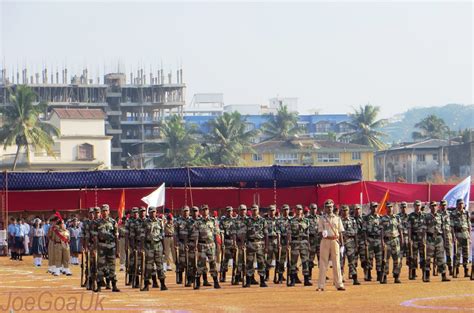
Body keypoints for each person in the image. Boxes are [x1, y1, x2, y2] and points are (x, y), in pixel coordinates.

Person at [317, 199, 345, 291]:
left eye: (331, 207)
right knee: (323, 263)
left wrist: (342, 245)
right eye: (327, 207)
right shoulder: (322, 218)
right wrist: (323, 234)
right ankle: (321, 285)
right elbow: (320, 231)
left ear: (333, 207)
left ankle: (339, 284)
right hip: (325, 241)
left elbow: (340, 232)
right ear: (325, 208)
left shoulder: (337, 218)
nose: (329, 209)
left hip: (334, 241)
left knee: (336, 263)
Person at [191, 205, 221, 289]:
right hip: (202, 245)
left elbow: (216, 234)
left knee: (213, 263)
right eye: (203, 210)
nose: (205, 211)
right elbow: (196, 235)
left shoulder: (213, 221)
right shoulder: (198, 222)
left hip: (211, 245)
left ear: (208, 211)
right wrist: (195, 245)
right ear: (201, 211)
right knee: (201, 264)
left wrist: (218, 245)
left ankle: (216, 281)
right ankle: (197, 282)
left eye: (206, 209)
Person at [140, 206, 167, 291]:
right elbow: (142, 236)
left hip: (158, 246)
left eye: (154, 212)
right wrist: (142, 247)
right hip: (149, 246)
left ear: (156, 212)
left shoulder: (160, 222)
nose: (153, 213)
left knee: (160, 266)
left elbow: (162, 235)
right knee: (148, 266)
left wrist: (164, 248)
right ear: (149, 213)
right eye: (151, 212)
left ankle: (162, 284)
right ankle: (146, 284)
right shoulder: (145, 222)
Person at [94, 204, 120, 292]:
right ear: (101, 212)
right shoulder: (97, 222)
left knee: (112, 266)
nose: (105, 212)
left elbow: (116, 236)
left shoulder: (113, 222)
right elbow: (95, 237)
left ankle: (114, 285)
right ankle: (99, 286)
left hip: (111, 247)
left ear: (109, 211)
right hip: (101, 247)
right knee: (100, 267)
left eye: (106, 210)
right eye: (103, 211)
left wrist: (117, 250)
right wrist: (94, 249)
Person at [242, 204, 268, 288]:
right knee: (249, 262)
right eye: (253, 209)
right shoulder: (247, 220)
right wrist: (243, 243)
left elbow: (266, 233)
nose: (254, 211)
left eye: (255, 209)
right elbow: (244, 233)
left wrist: (266, 245)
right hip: (250, 243)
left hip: (260, 243)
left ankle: (262, 281)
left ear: (258, 210)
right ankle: (249, 281)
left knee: (261, 262)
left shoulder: (263, 220)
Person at [424, 201, 450, 282]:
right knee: (428, 258)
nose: (434, 207)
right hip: (430, 238)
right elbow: (424, 229)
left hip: (439, 238)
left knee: (441, 258)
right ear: (430, 207)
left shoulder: (440, 216)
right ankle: (427, 276)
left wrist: (445, 239)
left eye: (435, 206)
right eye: (432, 206)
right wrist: (424, 241)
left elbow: (443, 229)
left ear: (437, 207)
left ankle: (443, 276)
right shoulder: (426, 216)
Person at [379, 202, 403, 284]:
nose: (390, 209)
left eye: (391, 207)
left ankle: (396, 276)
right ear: (386, 209)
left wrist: (402, 239)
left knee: (397, 259)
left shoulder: (397, 217)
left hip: (396, 240)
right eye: (388, 207)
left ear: (393, 208)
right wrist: (382, 241)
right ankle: (384, 276)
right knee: (386, 260)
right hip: (387, 241)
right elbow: (381, 231)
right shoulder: (383, 218)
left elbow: (400, 229)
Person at [288, 204, 311, 286]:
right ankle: (293, 279)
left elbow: (308, 233)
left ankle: (306, 280)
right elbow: (289, 233)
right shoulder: (291, 221)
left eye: (300, 209)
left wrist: (308, 244)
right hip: (295, 242)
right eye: (297, 209)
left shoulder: (306, 221)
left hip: (304, 242)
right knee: (293, 262)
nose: (299, 211)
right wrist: (288, 243)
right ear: (295, 210)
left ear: (302, 211)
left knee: (305, 261)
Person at [450, 198, 471, 278]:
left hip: (465, 234)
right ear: (457, 204)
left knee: (466, 253)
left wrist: (469, 236)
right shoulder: (453, 213)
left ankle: (466, 270)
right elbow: (451, 226)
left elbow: (468, 224)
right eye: (459, 204)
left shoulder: (466, 213)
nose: (461, 205)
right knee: (457, 254)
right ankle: (456, 270)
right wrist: (453, 236)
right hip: (457, 234)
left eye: (462, 204)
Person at [407, 200, 426, 280]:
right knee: (413, 256)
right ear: (414, 206)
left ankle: (424, 273)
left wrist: (425, 238)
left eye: (419, 205)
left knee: (423, 256)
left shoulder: (424, 215)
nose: (417, 207)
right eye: (416, 205)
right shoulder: (411, 216)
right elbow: (409, 228)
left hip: (422, 238)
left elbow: (426, 227)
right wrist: (409, 239)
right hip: (414, 238)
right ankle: (413, 273)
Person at [341, 205, 360, 285]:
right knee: (341, 261)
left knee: (352, 261)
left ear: (348, 211)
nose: (345, 212)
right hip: (341, 243)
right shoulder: (338, 220)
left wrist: (356, 244)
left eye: (346, 210)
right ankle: (340, 277)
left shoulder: (352, 220)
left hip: (350, 242)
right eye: (343, 210)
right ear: (341, 211)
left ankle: (355, 278)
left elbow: (355, 232)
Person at [364, 202, 382, 281]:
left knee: (379, 257)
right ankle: (368, 275)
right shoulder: (366, 218)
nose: (375, 208)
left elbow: (382, 230)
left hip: (378, 239)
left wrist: (382, 240)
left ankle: (379, 274)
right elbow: (364, 230)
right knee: (369, 258)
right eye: (373, 207)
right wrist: (365, 240)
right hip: (370, 239)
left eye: (376, 207)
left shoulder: (380, 217)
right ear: (370, 208)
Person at [174, 206, 191, 285]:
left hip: (190, 243)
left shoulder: (192, 221)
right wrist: (176, 243)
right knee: (181, 261)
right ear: (181, 212)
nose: (186, 212)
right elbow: (175, 233)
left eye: (187, 211)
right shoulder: (178, 221)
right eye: (184, 211)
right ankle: (180, 278)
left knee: (190, 261)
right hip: (181, 243)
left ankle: (189, 279)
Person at [219, 206, 236, 283]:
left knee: (236, 260)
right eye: (228, 211)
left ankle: (235, 276)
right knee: (225, 260)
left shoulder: (236, 220)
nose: (229, 212)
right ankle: (223, 275)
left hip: (234, 241)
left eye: (231, 211)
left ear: (232, 212)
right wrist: (222, 243)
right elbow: (222, 233)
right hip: (226, 240)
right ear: (226, 212)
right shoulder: (223, 221)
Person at [276, 204, 291, 284]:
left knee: (291, 260)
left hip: (291, 242)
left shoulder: (292, 220)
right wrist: (279, 244)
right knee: (282, 260)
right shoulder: (278, 221)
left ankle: (293, 276)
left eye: (287, 209)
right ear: (282, 211)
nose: (286, 211)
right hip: (282, 241)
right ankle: (280, 276)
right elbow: (278, 232)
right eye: (284, 210)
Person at [439, 199, 454, 275]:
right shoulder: (437, 214)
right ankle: (441, 270)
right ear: (440, 206)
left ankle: (450, 268)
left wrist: (453, 237)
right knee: (440, 254)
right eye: (442, 205)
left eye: (445, 205)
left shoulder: (450, 214)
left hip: (448, 236)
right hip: (440, 237)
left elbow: (452, 226)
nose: (443, 206)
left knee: (449, 253)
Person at [307, 203, 320, 282]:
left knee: (321, 260)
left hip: (319, 241)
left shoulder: (320, 218)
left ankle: (323, 275)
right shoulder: (307, 219)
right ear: (310, 209)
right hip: (311, 241)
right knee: (310, 260)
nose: (314, 210)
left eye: (315, 208)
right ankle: (309, 275)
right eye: (312, 208)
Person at [396, 202, 409, 273]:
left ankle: (412, 273)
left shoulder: (409, 216)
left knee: (410, 256)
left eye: (405, 207)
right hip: (400, 239)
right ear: (400, 208)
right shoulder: (397, 217)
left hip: (407, 238)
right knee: (399, 256)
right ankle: (397, 273)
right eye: (402, 207)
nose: (404, 209)